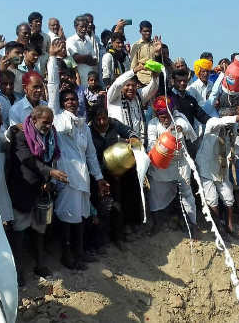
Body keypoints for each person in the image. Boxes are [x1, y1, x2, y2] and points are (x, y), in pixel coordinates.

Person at [46, 46, 109, 269]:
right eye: (67, 100)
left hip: (82, 179)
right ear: (62, 103)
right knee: (66, 218)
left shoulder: (82, 124)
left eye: (74, 99)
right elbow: (53, 88)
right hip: (65, 176)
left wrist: (99, 178)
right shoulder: (57, 118)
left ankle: (79, 252)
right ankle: (67, 256)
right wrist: (53, 58)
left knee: (81, 217)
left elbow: (91, 154)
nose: (71, 102)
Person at [7, 105, 66, 285]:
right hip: (22, 189)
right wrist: (50, 173)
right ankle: (17, 270)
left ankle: (40, 264)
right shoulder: (20, 137)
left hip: (41, 189)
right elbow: (28, 161)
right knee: (19, 232)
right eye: (45, 122)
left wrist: (48, 179)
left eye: (50, 123)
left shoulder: (49, 137)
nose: (48, 126)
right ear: (33, 120)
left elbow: (50, 159)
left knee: (40, 229)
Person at [89, 103, 138, 250]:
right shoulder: (88, 131)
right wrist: (99, 177)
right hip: (97, 176)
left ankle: (118, 237)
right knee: (100, 207)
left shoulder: (114, 124)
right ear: (93, 120)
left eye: (104, 118)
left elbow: (130, 132)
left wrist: (133, 138)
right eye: (98, 119)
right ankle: (100, 240)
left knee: (117, 204)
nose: (102, 122)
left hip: (115, 174)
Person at [196, 98, 239, 236]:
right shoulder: (213, 123)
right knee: (212, 199)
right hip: (206, 167)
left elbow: (234, 145)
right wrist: (237, 117)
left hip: (221, 168)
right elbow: (221, 122)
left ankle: (229, 226)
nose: (231, 124)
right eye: (230, 120)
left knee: (229, 198)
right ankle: (218, 228)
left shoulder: (231, 130)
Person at [146, 96, 197, 236]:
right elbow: (151, 143)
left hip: (180, 163)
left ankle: (191, 225)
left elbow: (185, 127)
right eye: (162, 116)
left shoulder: (179, 119)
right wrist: (159, 149)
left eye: (168, 115)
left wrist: (179, 128)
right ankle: (157, 223)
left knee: (187, 194)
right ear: (157, 114)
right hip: (162, 163)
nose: (166, 119)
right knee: (155, 194)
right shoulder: (152, 124)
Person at [107, 63, 159, 141]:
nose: (131, 88)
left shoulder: (138, 95)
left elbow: (153, 89)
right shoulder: (114, 97)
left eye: (133, 85)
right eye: (127, 85)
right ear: (123, 85)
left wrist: (155, 76)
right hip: (120, 143)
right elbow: (117, 84)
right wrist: (134, 71)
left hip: (138, 143)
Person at [66, 15, 98, 86]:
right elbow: (75, 58)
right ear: (75, 27)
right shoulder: (71, 40)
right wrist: (87, 58)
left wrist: (82, 58)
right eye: (81, 27)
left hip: (89, 82)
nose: (84, 29)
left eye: (85, 27)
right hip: (78, 81)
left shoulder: (89, 40)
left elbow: (94, 61)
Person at [129, 20, 157, 85]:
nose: (148, 33)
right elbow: (133, 67)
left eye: (149, 31)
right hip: (141, 81)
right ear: (140, 32)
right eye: (145, 31)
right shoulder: (136, 46)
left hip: (154, 81)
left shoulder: (155, 44)